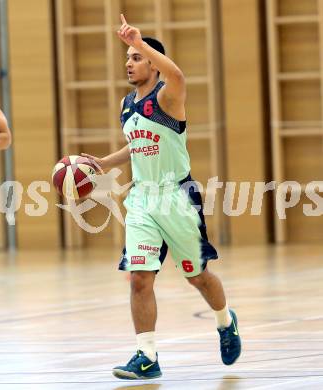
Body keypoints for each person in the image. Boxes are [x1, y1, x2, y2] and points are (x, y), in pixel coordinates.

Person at [82, 14, 241, 380]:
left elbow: (179, 76)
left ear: (153, 64)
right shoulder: (126, 104)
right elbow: (136, 146)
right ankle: (147, 355)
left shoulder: (168, 97)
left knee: (197, 277)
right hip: (141, 200)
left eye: (136, 57)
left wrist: (141, 42)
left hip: (176, 198)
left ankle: (224, 320)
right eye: (127, 57)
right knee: (140, 278)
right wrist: (105, 163)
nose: (129, 62)